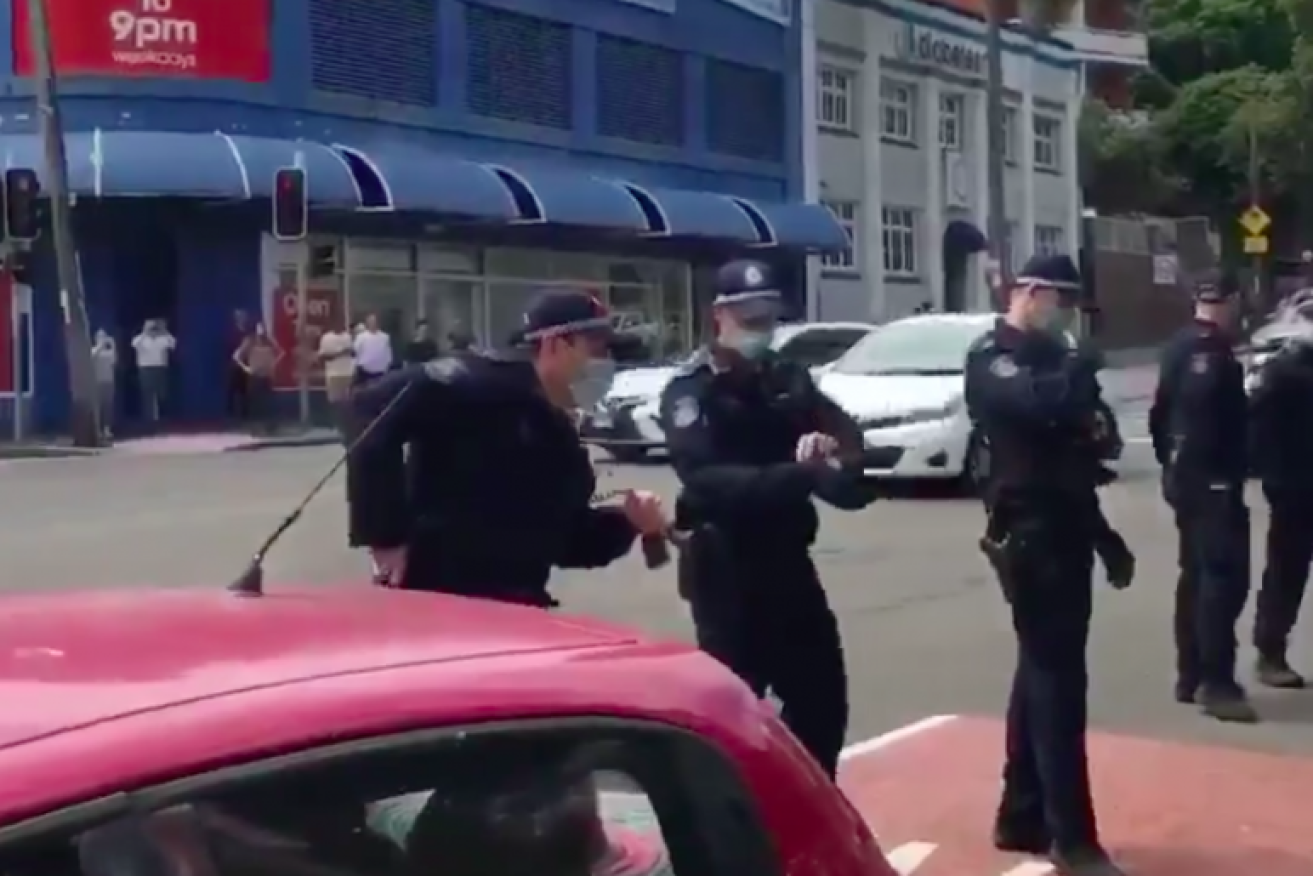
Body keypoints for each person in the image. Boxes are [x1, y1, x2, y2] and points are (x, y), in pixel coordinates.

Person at [658, 259, 877, 780]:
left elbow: (851, 447)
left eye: (767, 317)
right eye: (748, 318)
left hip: (788, 563)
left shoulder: (788, 378)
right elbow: (705, 477)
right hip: (726, 568)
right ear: (719, 317)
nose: (761, 329)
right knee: (730, 715)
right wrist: (800, 475)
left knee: (822, 702)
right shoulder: (692, 391)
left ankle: (809, 810)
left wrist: (833, 462)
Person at [346, 288, 666, 604]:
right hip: (440, 603)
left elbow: (565, 540)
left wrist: (629, 521)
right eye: (596, 349)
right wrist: (385, 536)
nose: (605, 364)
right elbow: (370, 409)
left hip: (517, 609)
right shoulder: (472, 383)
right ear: (555, 344)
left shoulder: (559, 434)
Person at [966, 253, 1124, 876]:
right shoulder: (991, 356)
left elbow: (1100, 430)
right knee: (1058, 685)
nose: (1063, 313)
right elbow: (1038, 408)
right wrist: (1074, 386)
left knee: (1041, 673)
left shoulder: (1056, 359)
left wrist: (1078, 407)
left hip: (1069, 522)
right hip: (1028, 531)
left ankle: (1021, 810)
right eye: (1056, 298)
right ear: (1027, 293)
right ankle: (1072, 836)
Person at [1149, 274, 1255, 722]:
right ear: (1230, 302)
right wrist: (1224, 475)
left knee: (1194, 575)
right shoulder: (1216, 356)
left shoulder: (1177, 346)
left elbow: (1159, 414)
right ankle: (1216, 680)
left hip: (1184, 479)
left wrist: (1171, 466)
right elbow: (1214, 424)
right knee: (1221, 580)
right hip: (1212, 482)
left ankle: (1190, 673)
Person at [1246, 329, 1313, 689]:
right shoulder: (1290, 374)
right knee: (1287, 571)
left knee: (1286, 571)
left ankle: (1270, 650)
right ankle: (1270, 651)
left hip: (1290, 482)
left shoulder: (1281, 371)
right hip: (1296, 486)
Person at [234, 324, 283, 435]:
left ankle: (270, 427)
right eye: (258, 327)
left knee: (268, 403)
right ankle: (255, 428)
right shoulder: (249, 341)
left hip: (267, 376)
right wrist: (246, 368)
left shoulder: (268, 341)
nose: (261, 330)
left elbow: (281, 352)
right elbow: (236, 356)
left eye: (262, 327)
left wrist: (273, 364)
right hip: (254, 376)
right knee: (255, 403)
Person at [131, 319, 176, 427]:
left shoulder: (163, 339)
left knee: (162, 393)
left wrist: (164, 331)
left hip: (160, 368)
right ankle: (148, 420)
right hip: (145, 369)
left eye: (154, 328)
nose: (153, 330)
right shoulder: (141, 339)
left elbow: (173, 344)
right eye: (151, 328)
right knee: (147, 394)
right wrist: (144, 332)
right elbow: (134, 343)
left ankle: (163, 418)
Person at [317, 322, 355, 412]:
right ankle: (336, 423)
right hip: (333, 375)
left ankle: (346, 423)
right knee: (334, 402)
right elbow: (323, 357)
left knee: (348, 402)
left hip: (348, 374)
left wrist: (350, 352)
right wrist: (340, 353)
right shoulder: (326, 338)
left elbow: (353, 354)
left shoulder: (348, 337)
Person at [90, 329, 117, 440]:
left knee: (108, 407)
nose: (103, 339)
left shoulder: (108, 352)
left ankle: (107, 429)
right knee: (97, 407)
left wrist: (113, 345)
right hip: (96, 383)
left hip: (108, 382)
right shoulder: (93, 350)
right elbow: (92, 357)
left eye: (104, 336)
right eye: (100, 337)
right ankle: (97, 430)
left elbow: (114, 361)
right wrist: (100, 345)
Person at [352, 314, 393, 384]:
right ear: (367, 323)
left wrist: (388, 364)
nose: (373, 324)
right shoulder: (361, 337)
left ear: (378, 323)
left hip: (381, 371)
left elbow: (388, 352)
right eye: (370, 322)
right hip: (365, 371)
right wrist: (355, 367)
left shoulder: (385, 337)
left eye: (374, 322)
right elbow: (355, 352)